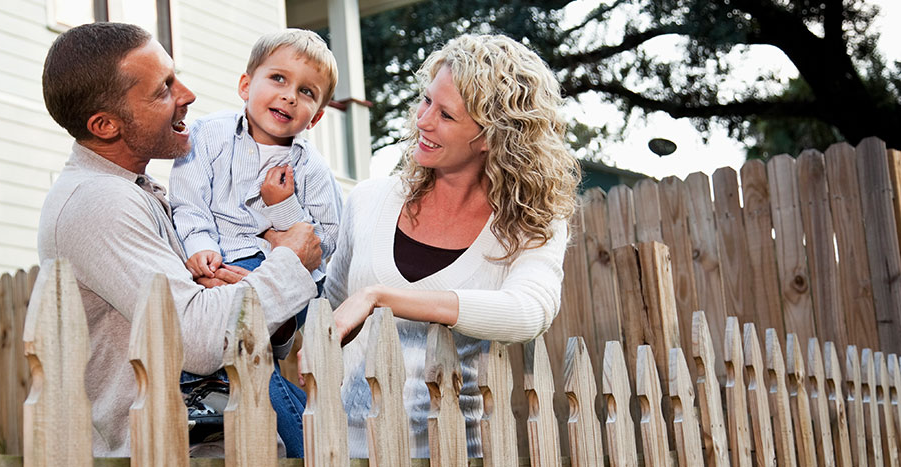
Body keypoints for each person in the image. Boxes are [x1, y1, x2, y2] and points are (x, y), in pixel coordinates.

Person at [37, 22, 322, 457]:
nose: (187, 95)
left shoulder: (138, 190)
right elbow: (197, 339)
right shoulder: (100, 201)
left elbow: (207, 316)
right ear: (105, 124)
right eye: (164, 89)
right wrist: (289, 261)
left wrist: (251, 299)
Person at [322, 34, 580, 458]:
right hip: (340, 448)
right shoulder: (367, 201)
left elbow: (529, 312)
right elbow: (332, 314)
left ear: (490, 137)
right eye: (425, 101)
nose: (422, 120)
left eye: (445, 115)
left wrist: (381, 297)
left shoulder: (531, 226)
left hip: (456, 451)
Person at [168, 28, 345, 457]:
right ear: (247, 85)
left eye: (306, 92)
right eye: (278, 79)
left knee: (228, 354)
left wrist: (281, 211)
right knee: (246, 369)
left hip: (280, 274)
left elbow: (325, 241)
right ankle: (299, 437)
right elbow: (188, 202)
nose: (288, 97)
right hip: (211, 262)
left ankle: (208, 393)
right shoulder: (207, 137)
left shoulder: (311, 169)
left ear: (316, 116)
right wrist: (199, 245)